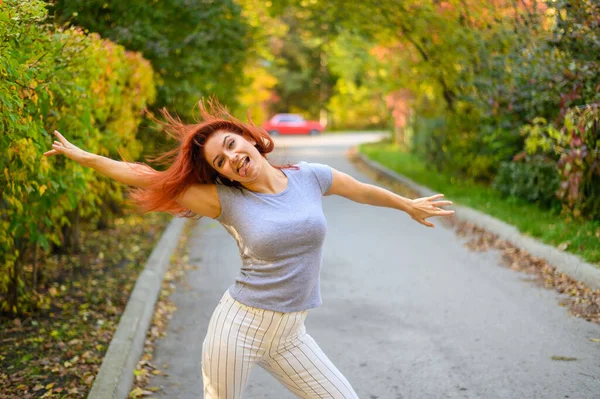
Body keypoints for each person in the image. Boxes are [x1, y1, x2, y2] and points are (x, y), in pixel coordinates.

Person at [44, 102, 455, 398]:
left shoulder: (309, 177)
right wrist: (86, 158)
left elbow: (360, 189)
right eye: (220, 161)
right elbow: (147, 176)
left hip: (291, 336)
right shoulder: (225, 201)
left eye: (231, 145)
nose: (231, 158)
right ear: (220, 174)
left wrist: (406, 204)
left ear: (249, 138)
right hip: (238, 330)